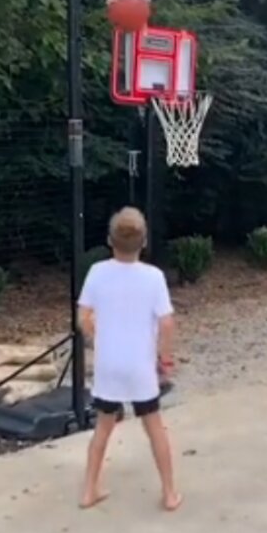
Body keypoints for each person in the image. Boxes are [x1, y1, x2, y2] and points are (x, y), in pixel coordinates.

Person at [77, 207, 181, 511]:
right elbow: (167, 323)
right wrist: (165, 359)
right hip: (139, 368)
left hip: (109, 366)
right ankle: (170, 493)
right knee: (154, 427)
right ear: (144, 242)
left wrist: (96, 338)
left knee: (103, 428)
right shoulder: (153, 277)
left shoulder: (97, 272)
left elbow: (83, 316)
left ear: (110, 240)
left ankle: (89, 490)